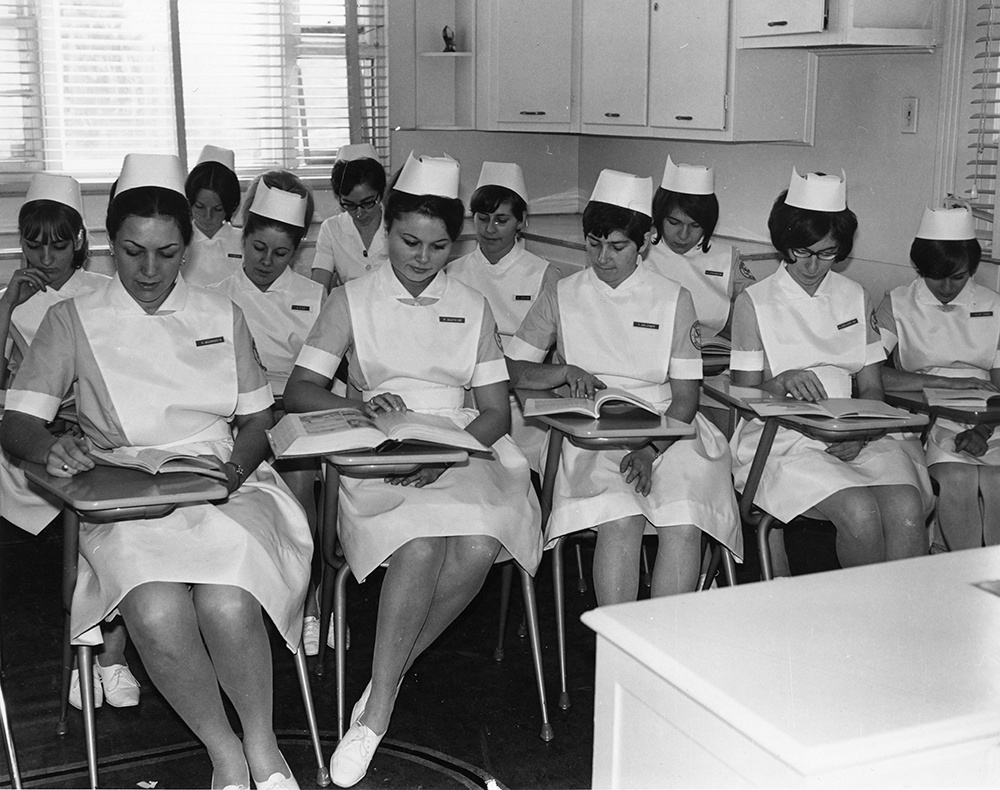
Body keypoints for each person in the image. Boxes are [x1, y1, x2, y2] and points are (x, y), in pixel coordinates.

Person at [0, 153, 313, 790]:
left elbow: (257, 421)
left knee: (228, 600)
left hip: (225, 481)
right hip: (124, 491)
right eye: (132, 251)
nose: (149, 271)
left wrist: (231, 472)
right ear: (108, 245)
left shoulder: (220, 314)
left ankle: (261, 745)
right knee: (155, 607)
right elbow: (17, 422)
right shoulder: (72, 319)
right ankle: (222, 750)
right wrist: (48, 448)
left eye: (167, 254)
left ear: (189, 248)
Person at [284, 152, 542, 787]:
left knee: (480, 546)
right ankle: (375, 716)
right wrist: (358, 402)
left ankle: (380, 685)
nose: (421, 258)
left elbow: (493, 411)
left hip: (464, 447)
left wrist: (448, 456)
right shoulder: (352, 298)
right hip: (380, 449)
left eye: (434, 246)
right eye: (407, 242)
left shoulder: (473, 305)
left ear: (451, 243)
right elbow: (298, 391)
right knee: (421, 548)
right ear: (389, 230)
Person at [507, 169, 742, 602]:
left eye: (617, 246)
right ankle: (619, 647)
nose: (602, 257)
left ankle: (662, 646)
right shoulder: (562, 292)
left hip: (670, 430)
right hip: (589, 432)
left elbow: (687, 397)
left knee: (683, 519)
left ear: (645, 242)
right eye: (593, 244)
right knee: (621, 518)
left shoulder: (673, 298)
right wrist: (563, 372)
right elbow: (515, 368)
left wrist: (649, 451)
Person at [730, 168, 932, 575]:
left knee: (907, 508)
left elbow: (872, 386)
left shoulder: (853, 296)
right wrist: (782, 382)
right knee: (859, 511)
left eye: (826, 253)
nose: (812, 265)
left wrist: (861, 433)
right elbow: (745, 394)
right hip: (782, 433)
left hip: (857, 430)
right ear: (784, 243)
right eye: (802, 251)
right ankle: (859, 625)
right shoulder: (756, 302)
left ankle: (903, 623)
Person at [0, 173, 137, 710]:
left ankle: (109, 654)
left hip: (99, 431)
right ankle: (87, 649)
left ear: (80, 240)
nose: (47, 255)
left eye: (59, 244)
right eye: (34, 244)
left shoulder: (105, 292)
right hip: (36, 437)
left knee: (105, 530)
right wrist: (8, 302)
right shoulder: (14, 299)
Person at [209, 171, 327, 655]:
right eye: (259, 248)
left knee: (299, 477)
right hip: (238, 415)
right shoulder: (215, 296)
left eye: (281, 254)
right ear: (244, 237)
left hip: (298, 413)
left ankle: (311, 601)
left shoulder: (316, 298)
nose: (266, 262)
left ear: (297, 251)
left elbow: (323, 380)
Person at [877, 206, 1000, 551]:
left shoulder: (995, 306)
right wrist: (951, 385)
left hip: (990, 415)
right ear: (919, 269)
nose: (946, 287)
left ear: (972, 270)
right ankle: (962, 576)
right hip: (923, 414)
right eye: (935, 277)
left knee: (996, 479)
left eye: (958, 277)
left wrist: (982, 429)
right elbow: (876, 376)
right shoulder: (896, 305)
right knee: (957, 475)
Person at [448, 161, 561, 471]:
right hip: (466, 395)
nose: (489, 229)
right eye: (482, 219)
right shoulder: (452, 273)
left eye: (501, 220)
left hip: (523, 399)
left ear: (521, 221)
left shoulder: (543, 274)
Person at [645, 156, 753, 340]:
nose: (683, 235)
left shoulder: (727, 259)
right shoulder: (640, 251)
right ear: (659, 216)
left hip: (713, 354)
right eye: (674, 222)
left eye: (695, 226)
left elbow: (756, 309)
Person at [310, 143, 389, 291]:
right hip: (349, 308)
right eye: (350, 205)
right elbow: (318, 287)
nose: (359, 213)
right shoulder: (331, 229)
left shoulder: (397, 224)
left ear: (381, 193)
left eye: (367, 203)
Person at [184, 145, 244, 287]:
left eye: (217, 209)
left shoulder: (244, 242)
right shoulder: (179, 240)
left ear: (231, 207)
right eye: (200, 207)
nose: (208, 216)